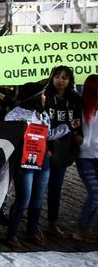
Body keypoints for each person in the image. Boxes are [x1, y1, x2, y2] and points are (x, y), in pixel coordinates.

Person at [4, 82, 73, 248]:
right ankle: (12, 233)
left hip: (43, 160)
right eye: (41, 95)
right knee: (24, 198)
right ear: (34, 97)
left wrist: (69, 127)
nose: (44, 98)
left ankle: (32, 231)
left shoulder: (43, 115)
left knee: (38, 199)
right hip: (25, 161)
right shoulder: (14, 115)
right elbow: (8, 136)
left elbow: (48, 135)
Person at [43, 65, 82, 239]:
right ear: (52, 78)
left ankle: (52, 223)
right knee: (33, 189)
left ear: (70, 80)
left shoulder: (75, 100)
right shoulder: (45, 98)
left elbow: (79, 124)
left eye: (65, 77)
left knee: (56, 188)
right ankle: (29, 225)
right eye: (57, 76)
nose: (61, 80)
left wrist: (76, 140)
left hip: (63, 151)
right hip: (43, 150)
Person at [75, 74, 98, 242]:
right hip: (86, 156)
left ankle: (87, 228)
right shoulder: (81, 107)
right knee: (95, 192)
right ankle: (83, 227)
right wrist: (79, 140)